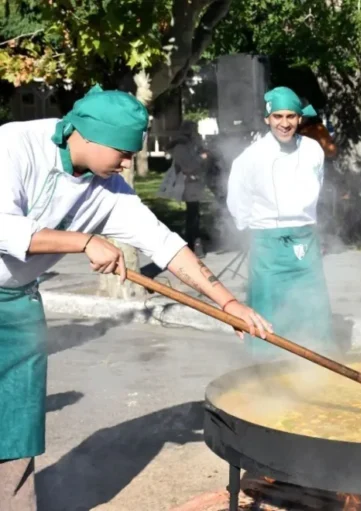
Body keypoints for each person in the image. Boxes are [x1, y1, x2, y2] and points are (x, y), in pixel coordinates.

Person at [0, 85, 271, 510]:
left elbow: (166, 246)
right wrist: (83, 241)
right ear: (87, 136)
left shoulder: (110, 188)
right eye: (122, 153)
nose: (128, 163)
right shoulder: (14, 145)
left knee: (14, 428)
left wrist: (228, 304)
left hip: (17, 303)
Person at [227, 86, 335, 357]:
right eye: (278, 117)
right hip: (267, 243)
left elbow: (317, 188)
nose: (284, 123)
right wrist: (252, 229)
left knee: (312, 309)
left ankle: (314, 366)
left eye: (290, 116)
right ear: (267, 119)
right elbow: (238, 202)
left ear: (300, 119)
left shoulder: (313, 150)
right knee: (269, 311)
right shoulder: (250, 157)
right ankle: (265, 372)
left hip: (305, 239)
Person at [160, 120, 211, 257]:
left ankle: (194, 243)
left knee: (194, 215)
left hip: (194, 184)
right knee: (192, 216)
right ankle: (193, 243)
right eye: (195, 130)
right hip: (188, 184)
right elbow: (188, 166)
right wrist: (201, 158)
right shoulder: (181, 146)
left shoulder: (190, 144)